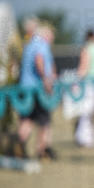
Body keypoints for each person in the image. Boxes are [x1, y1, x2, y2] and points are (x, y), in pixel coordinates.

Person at [17, 22, 57, 160]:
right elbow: (39, 61)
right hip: (37, 90)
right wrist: (46, 80)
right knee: (44, 122)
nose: (52, 39)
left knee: (26, 119)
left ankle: (19, 147)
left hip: (25, 89)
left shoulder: (29, 45)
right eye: (51, 36)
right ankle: (42, 151)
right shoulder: (42, 45)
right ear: (45, 35)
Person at [73, 28, 94, 147]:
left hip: (87, 83)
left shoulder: (87, 49)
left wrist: (75, 83)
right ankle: (86, 137)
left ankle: (83, 138)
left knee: (84, 112)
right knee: (90, 111)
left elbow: (83, 68)